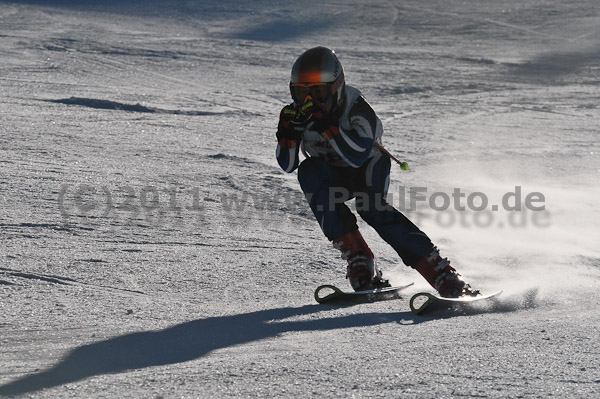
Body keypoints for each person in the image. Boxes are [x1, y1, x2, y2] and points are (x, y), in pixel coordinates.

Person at [275, 46, 475, 297]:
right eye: (301, 92)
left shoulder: (357, 108)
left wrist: (329, 128)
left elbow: (356, 155)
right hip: (333, 174)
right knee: (308, 171)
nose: (308, 101)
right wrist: (287, 136)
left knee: (371, 207)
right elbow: (288, 165)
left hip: (368, 167)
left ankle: (439, 271)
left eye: (318, 92)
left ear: (336, 87)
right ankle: (359, 257)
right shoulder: (300, 114)